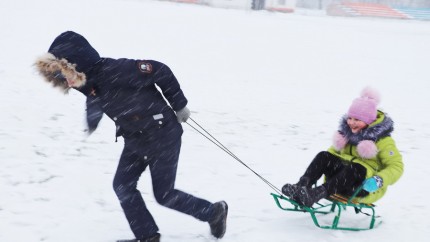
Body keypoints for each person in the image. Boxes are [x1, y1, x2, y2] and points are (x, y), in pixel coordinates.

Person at [35, 31, 228, 242]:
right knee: (122, 185)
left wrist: (179, 104)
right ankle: (147, 236)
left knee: (164, 195)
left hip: (163, 135)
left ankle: (214, 213)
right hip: (136, 139)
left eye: (65, 74)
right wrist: (92, 118)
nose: (66, 82)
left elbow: (159, 70)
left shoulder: (116, 70)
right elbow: (95, 97)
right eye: (60, 78)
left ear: (77, 64)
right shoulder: (89, 83)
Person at [281, 87, 403, 207]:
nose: (351, 122)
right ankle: (301, 186)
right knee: (324, 155)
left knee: (356, 168)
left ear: (369, 121)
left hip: (362, 187)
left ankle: (316, 193)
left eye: (357, 119)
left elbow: (396, 166)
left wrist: (379, 180)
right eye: (350, 118)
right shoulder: (347, 134)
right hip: (337, 183)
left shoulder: (383, 141)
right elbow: (330, 156)